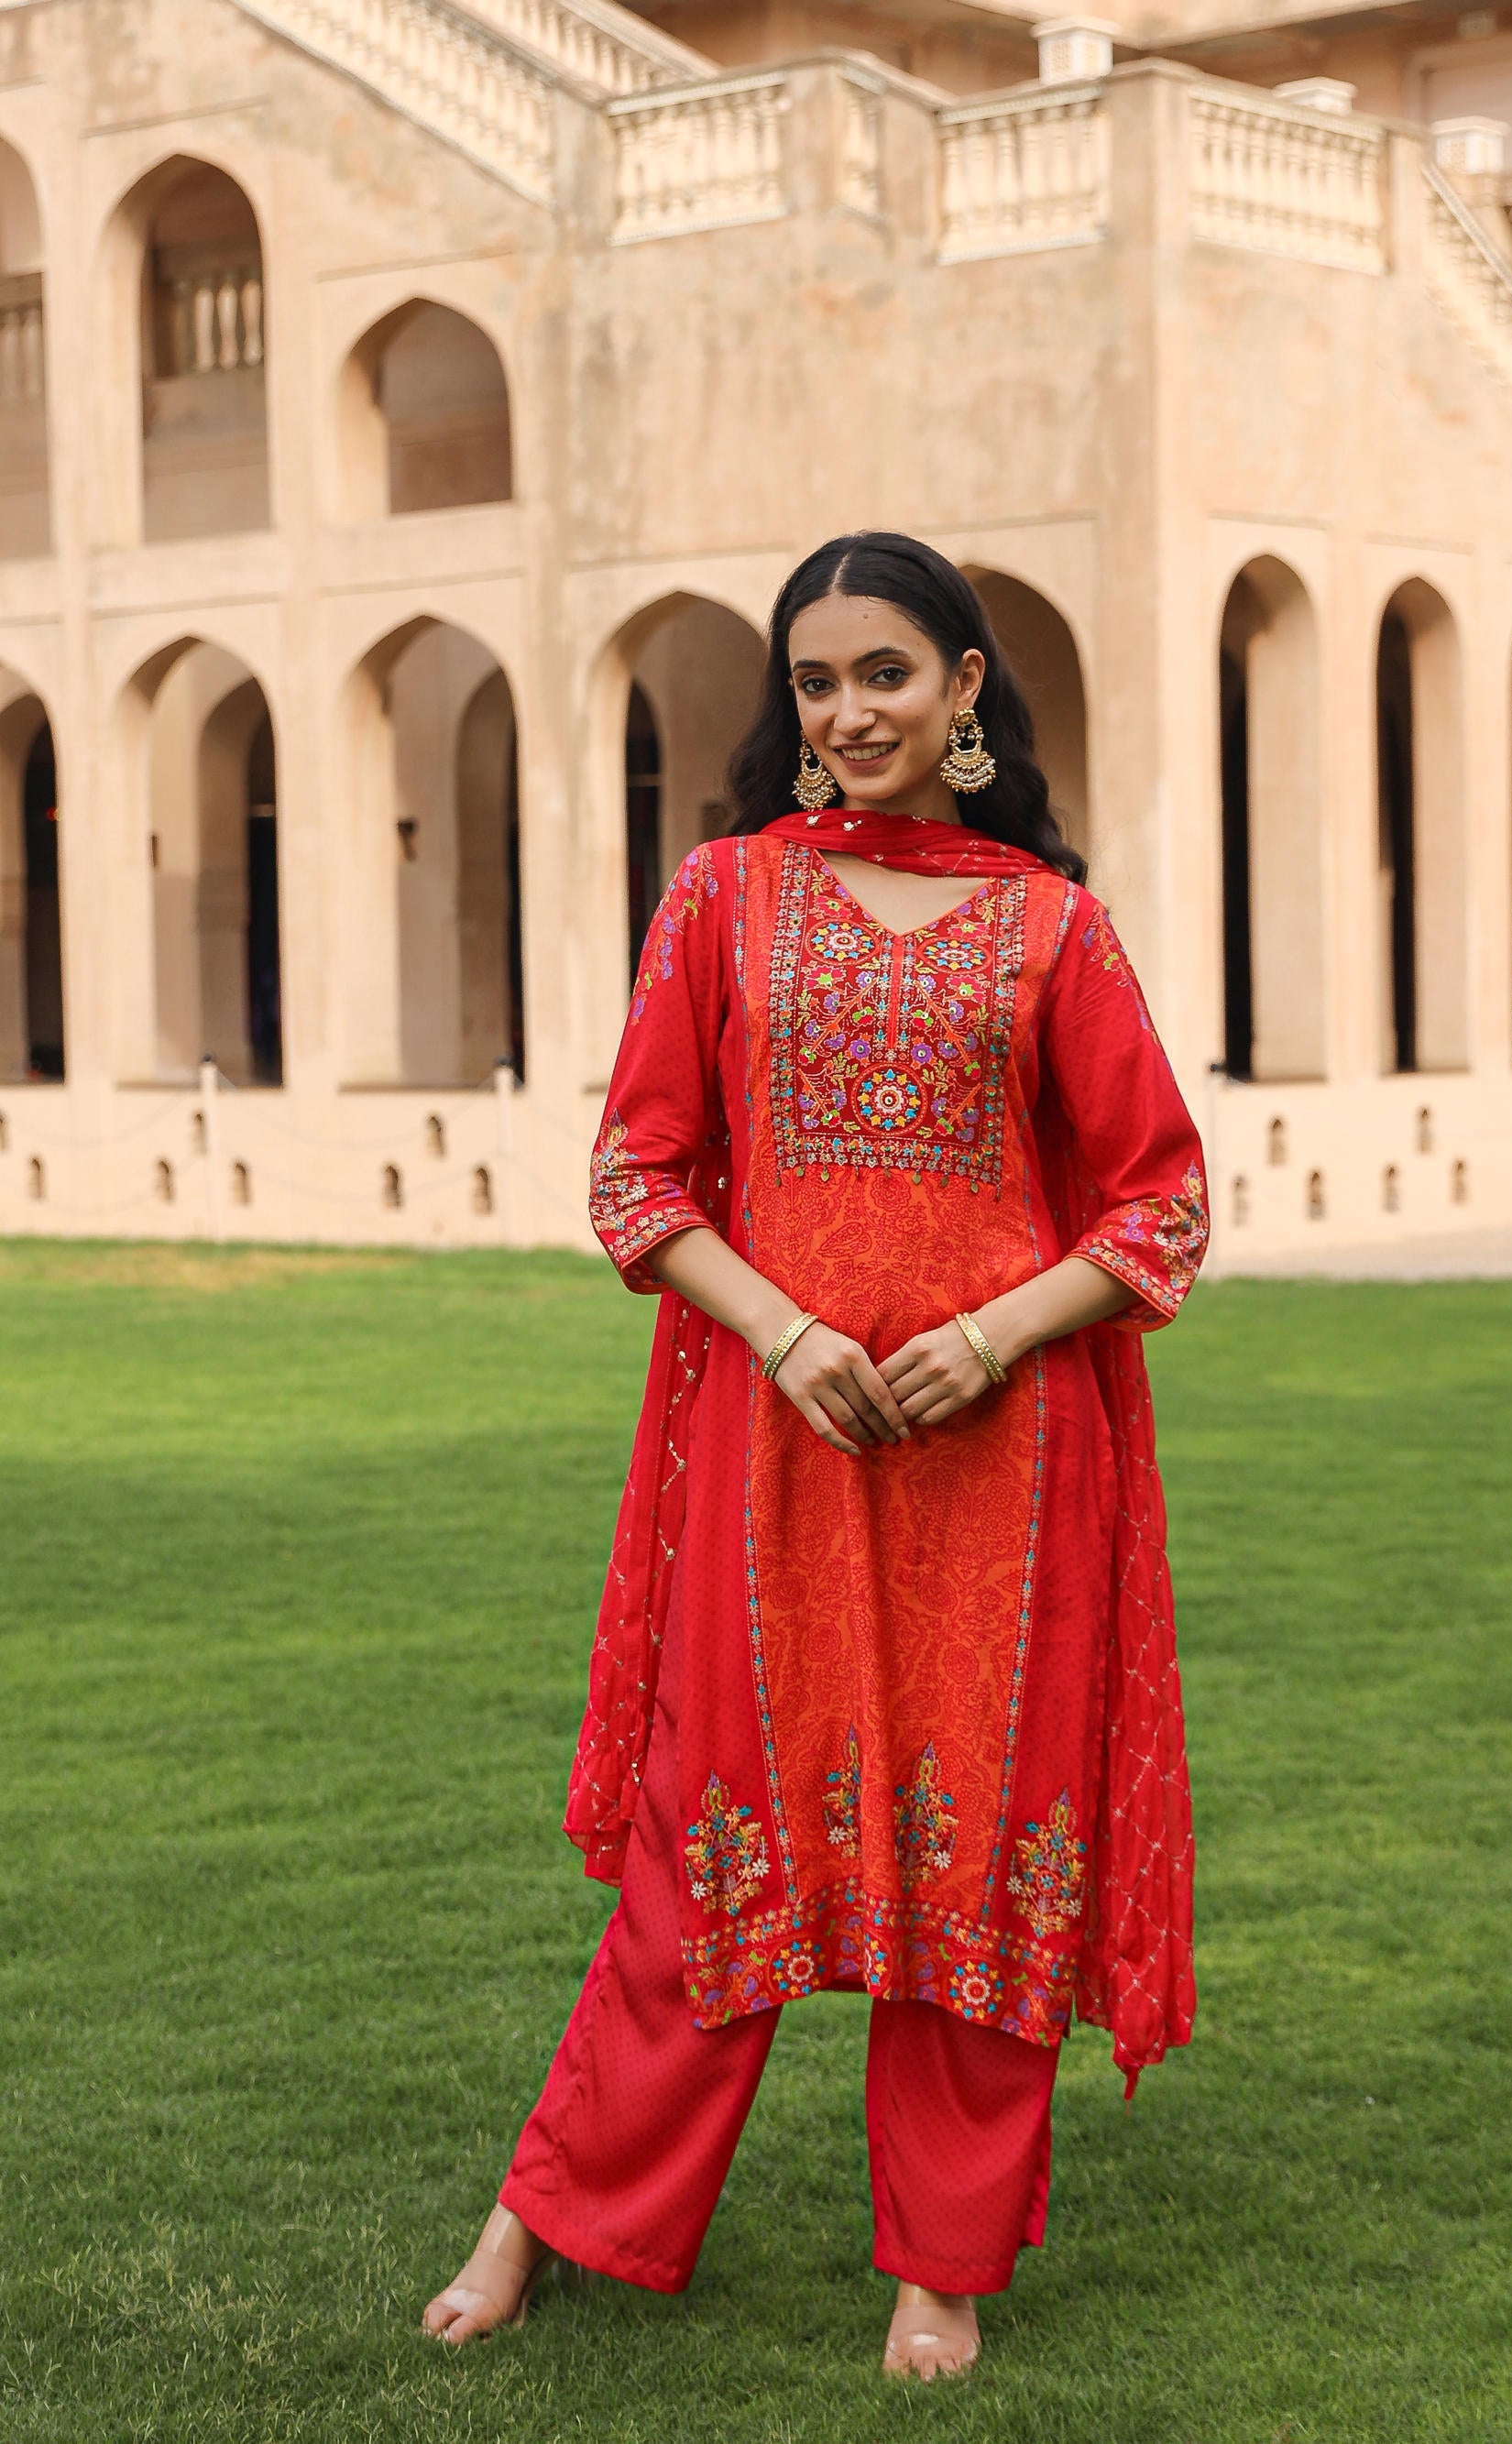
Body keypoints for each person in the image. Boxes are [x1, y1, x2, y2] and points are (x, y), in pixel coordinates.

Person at [423, 532, 1209, 2379]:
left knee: (978, 1861)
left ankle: (941, 2267)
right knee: (712, 1857)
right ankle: (538, 2214)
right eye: (813, 681)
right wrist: (782, 1331)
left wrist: (987, 1333)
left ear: (962, 692)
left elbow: (1160, 1201)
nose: (847, 712)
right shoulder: (722, 898)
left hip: (1002, 1468)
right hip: (773, 1458)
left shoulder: (1049, 927)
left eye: (883, 673)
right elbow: (637, 1177)